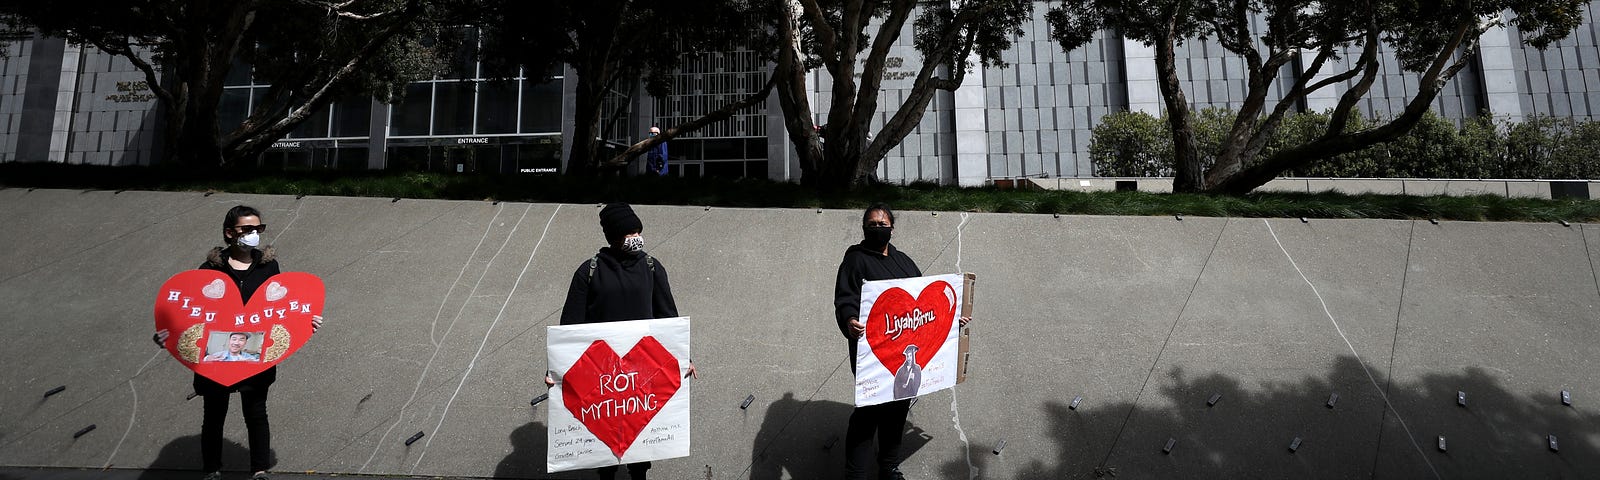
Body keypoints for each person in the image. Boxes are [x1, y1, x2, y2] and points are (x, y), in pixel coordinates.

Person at [153, 205, 322, 480]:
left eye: (258, 228)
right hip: (214, 349)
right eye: (247, 229)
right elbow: (191, 310)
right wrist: (166, 332)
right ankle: (212, 470)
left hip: (256, 346)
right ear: (230, 233)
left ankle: (259, 470)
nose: (254, 234)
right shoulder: (209, 269)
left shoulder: (269, 266)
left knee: (256, 412)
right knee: (214, 414)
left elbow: (280, 307)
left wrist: (305, 322)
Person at [548, 203, 696, 480]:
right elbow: (570, 325)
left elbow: (667, 317)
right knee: (605, 442)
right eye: (629, 232)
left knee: (640, 442)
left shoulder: (652, 267)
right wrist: (555, 371)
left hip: (642, 369)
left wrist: (683, 358)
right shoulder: (589, 271)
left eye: (637, 231)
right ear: (613, 237)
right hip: (602, 372)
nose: (635, 237)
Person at [833, 204, 968, 480]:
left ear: (892, 228)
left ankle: (889, 467)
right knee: (868, 413)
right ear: (863, 228)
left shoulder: (904, 261)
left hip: (907, 353)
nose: (878, 228)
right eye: (872, 224)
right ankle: (855, 474)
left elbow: (925, 305)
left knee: (897, 411)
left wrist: (951, 320)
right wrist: (849, 321)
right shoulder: (855, 260)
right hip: (872, 352)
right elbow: (845, 298)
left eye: (883, 224)